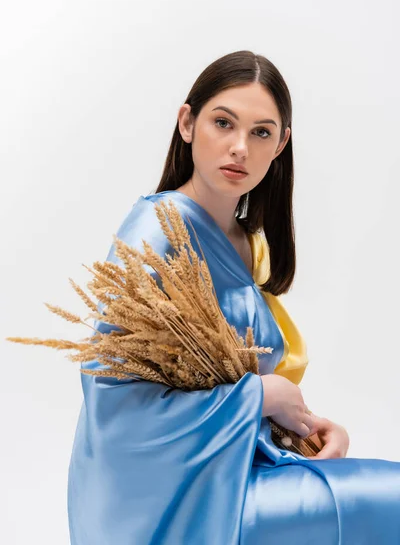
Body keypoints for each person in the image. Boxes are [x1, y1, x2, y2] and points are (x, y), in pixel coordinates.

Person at [67, 50, 400, 544]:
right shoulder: (156, 237)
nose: (240, 147)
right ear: (187, 123)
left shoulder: (249, 241)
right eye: (223, 123)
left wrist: (305, 431)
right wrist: (262, 396)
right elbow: (113, 407)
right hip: (174, 501)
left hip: (238, 468)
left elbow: (229, 383)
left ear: (281, 144)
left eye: (261, 132)